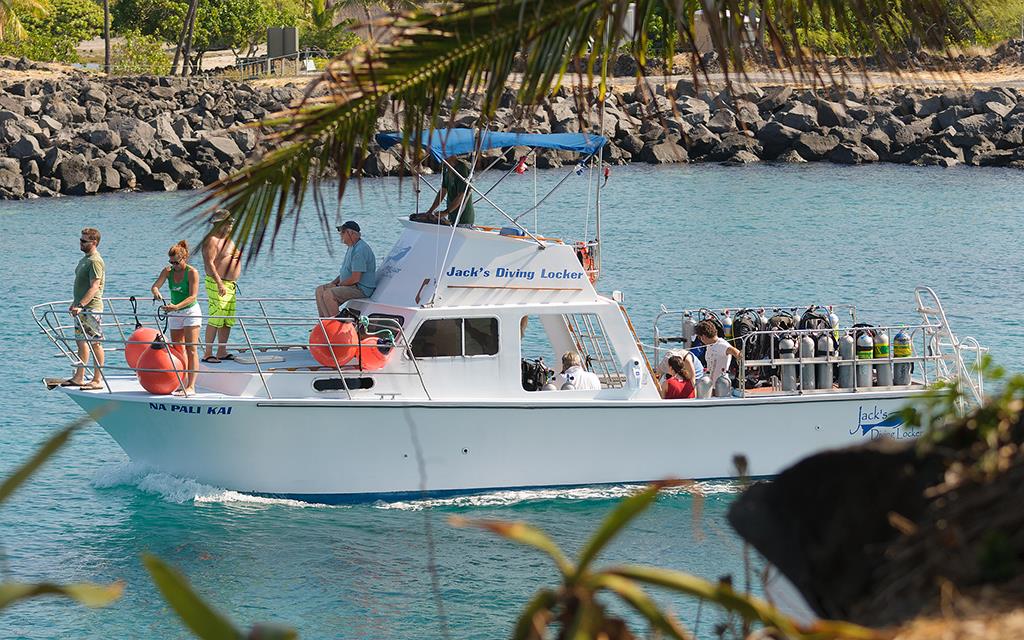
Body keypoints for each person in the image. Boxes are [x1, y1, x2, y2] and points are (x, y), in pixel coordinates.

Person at [151, 240, 201, 396]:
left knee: (191, 349)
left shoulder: (192, 272)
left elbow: (193, 296)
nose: (173, 265)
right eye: (171, 262)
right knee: (178, 349)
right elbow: (155, 285)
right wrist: (156, 292)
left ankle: (191, 386)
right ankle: (181, 382)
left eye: (176, 262)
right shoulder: (168, 271)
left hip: (190, 312)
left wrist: (177, 307)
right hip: (174, 313)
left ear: (184, 258)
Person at [64, 227, 106, 390]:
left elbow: (95, 286)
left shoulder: (95, 261)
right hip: (81, 308)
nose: (80, 243)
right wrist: (76, 303)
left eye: (84, 241)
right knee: (81, 342)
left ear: (93, 242)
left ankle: (97, 379)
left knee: (95, 342)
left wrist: (81, 305)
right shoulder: (85, 259)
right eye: (80, 240)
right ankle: (79, 376)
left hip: (91, 308)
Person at [201, 209, 242, 363]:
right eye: (228, 223)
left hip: (230, 285)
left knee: (227, 319)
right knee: (216, 317)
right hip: (217, 283)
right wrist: (219, 282)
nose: (231, 225)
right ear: (220, 224)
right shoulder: (212, 240)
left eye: (231, 222)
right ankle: (208, 353)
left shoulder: (229, 240)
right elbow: (209, 263)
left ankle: (222, 350)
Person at [315, 221, 377, 318]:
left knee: (329, 294)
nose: (341, 235)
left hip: (360, 288)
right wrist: (333, 283)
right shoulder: (352, 247)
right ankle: (325, 323)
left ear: (352, 233)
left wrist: (337, 285)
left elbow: (355, 278)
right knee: (320, 290)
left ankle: (336, 326)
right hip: (351, 285)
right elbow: (346, 271)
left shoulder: (360, 251)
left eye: (343, 232)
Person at [418, 155, 475, 226]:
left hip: (463, 218)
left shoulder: (462, 168)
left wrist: (446, 212)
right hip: (452, 217)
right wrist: (430, 211)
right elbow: (443, 191)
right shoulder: (446, 167)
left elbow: (462, 195)